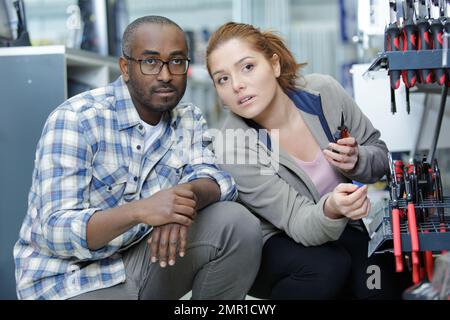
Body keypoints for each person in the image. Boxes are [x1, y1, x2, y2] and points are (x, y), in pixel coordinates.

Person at [13, 16, 263, 300]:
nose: (166, 75)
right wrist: (142, 211)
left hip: (141, 261)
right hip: (71, 281)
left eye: (177, 62)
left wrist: (180, 203)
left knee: (236, 223)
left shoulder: (187, 118)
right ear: (125, 68)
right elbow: (56, 231)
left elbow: (216, 179)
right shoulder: (77, 119)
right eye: (151, 62)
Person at [206, 22, 411, 299]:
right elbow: (297, 221)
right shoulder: (234, 144)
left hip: (339, 230)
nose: (237, 85)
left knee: (380, 281)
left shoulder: (324, 94)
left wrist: (358, 159)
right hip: (276, 243)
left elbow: (380, 157)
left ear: (274, 65)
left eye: (247, 67)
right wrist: (333, 207)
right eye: (223, 79)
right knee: (327, 268)